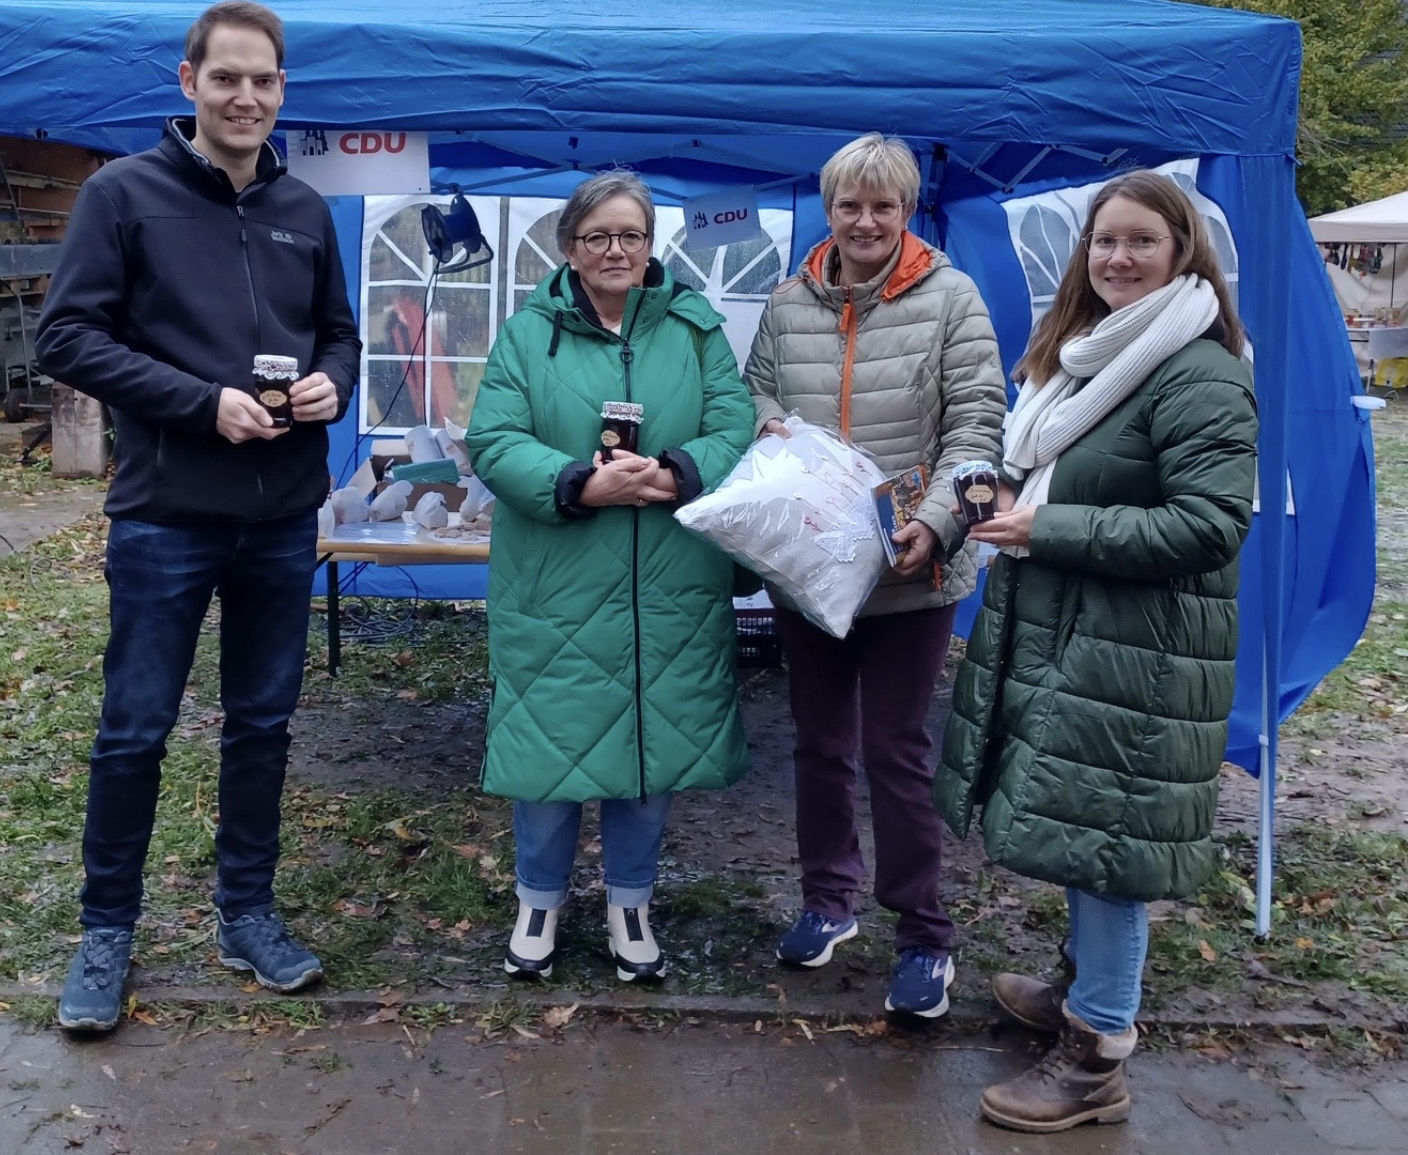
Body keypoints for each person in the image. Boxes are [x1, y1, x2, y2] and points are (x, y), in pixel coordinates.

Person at [36, 0, 362, 1032]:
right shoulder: (121, 194)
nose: (245, 97)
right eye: (226, 78)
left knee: (262, 724)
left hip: (281, 514)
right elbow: (66, 337)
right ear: (189, 83)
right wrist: (197, 402)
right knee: (135, 729)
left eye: (263, 80)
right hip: (167, 514)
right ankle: (105, 931)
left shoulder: (304, 209)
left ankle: (246, 913)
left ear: (282, 90)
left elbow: (340, 334)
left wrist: (333, 382)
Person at [935, 170, 1257, 1131]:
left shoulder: (1199, 370)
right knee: (1089, 823)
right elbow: (1063, 469)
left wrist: (1049, 528)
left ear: (1182, 252)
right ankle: (1082, 987)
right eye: (1105, 240)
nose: (1118, 258)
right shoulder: (1088, 353)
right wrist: (1012, 497)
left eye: (1141, 241)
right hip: (1086, 636)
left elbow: (1209, 526)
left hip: (1145, 656)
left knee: (1112, 845)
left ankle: (1097, 1056)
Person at [466, 170, 755, 982]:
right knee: (549, 746)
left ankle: (632, 904)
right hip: (557, 579)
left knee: (651, 748)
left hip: (670, 580)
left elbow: (734, 420)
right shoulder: (527, 334)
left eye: (631, 235)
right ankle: (538, 902)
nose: (615, 250)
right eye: (597, 237)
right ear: (570, 248)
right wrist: (576, 484)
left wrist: (677, 471)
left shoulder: (695, 327)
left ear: (651, 243)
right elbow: (493, 438)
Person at [742, 132, 1005, 1017]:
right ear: (829, 210)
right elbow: (753, 391)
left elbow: (977, 423)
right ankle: (828, 900)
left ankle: (924, 933)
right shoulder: (789, 302)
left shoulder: (952, 299)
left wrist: (937, 522)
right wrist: (771, 427)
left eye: (882, 205)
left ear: (907, 210)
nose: (864, 221)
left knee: (896, 750)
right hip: (813, 567)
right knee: (819, 744)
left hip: (909, 570)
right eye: (849, 205)